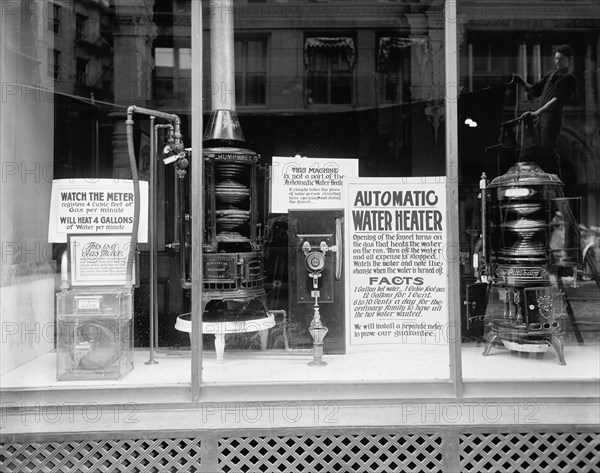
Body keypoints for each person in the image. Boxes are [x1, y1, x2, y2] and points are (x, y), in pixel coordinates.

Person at [512, 45, 577, 176]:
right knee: (538, 150)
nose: (557, 61)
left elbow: (556, 100)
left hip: (552, 118)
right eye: (556, 58)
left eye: (561, 59)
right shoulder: (550, 76)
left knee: (548, 149)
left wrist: (537, 112)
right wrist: (521, 82)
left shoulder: (569, 78)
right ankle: (544, 178)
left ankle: (555, 180)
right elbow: (534, 91)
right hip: (540, 118)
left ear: (569, 60)